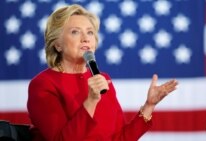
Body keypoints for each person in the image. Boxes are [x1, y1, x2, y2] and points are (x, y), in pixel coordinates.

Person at [27, 4, 178, 141]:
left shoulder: (102, 79)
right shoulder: (43, 84)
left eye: (90, 32)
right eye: (75, 32)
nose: (86, 38)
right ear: (58, 45)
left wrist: (149, 106)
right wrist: (91, 101)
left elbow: (121, 138)